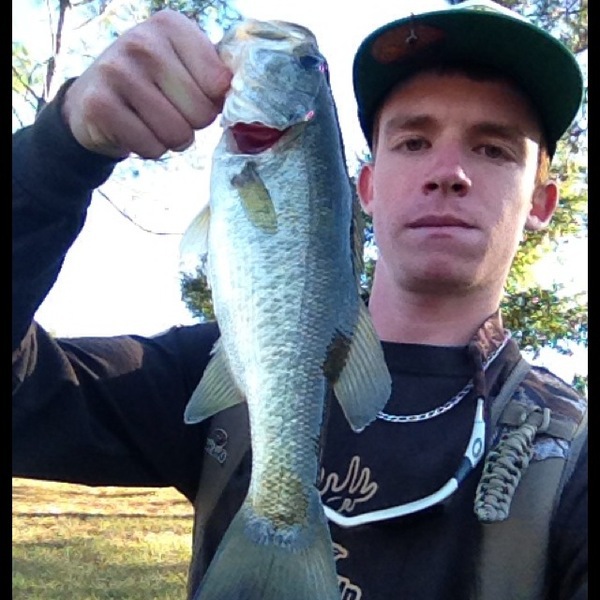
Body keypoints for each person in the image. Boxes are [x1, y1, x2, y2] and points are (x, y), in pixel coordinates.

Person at [12, 1, 587, 598]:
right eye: (414, 141)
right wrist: (59, 154)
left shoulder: (571, 458)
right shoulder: (214, 365)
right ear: (364, 189)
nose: (448, 173)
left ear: (541, 202)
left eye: (493, 149)